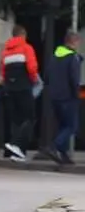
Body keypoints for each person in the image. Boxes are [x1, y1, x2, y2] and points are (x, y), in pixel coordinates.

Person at [0, 24, 40, 162]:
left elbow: (3, 71)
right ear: (23, 35)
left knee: (16, 120)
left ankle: (15, 152)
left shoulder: (5, 51)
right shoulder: (26, 48)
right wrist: (34, 80)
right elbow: (32, 67)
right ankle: (17, 145)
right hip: (24, 87)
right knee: (30, 118)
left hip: (10, 89)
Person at [46, 30, 82, 165]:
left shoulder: (54, 56)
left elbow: (47, 76)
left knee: (63, 125)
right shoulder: (73, 58)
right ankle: (54, 147)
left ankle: (63, 155)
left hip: (55, 96)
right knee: (71, 126)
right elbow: (74, 79)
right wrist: (76, 94)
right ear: (74, 42)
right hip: (68, 97)